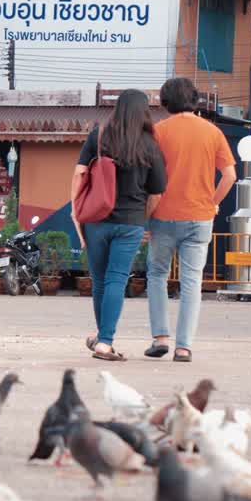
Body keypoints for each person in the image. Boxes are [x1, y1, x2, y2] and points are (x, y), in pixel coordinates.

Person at [145, 77, 236, 363]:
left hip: (162, 216)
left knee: (157, 275)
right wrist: (212, 203)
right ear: (195, 101)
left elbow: (147, 177)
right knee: (192, 282)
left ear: (165, 102)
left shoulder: (157, 132)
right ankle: (183, 347)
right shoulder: (212, 132)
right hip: (199, 217)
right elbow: (230, 175)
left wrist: (144, 216)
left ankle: (160, 338)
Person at [72, 89, 167, 361]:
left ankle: (103, 338)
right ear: (144, 112)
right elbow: (157, 192)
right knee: (116, 279)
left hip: (96, 219)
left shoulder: (99, 136)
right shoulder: (150, 144)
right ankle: (104, 341)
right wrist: (142, 218)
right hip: (130, 223)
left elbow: (79, 173)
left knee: (100, 280)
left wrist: (75, 209)